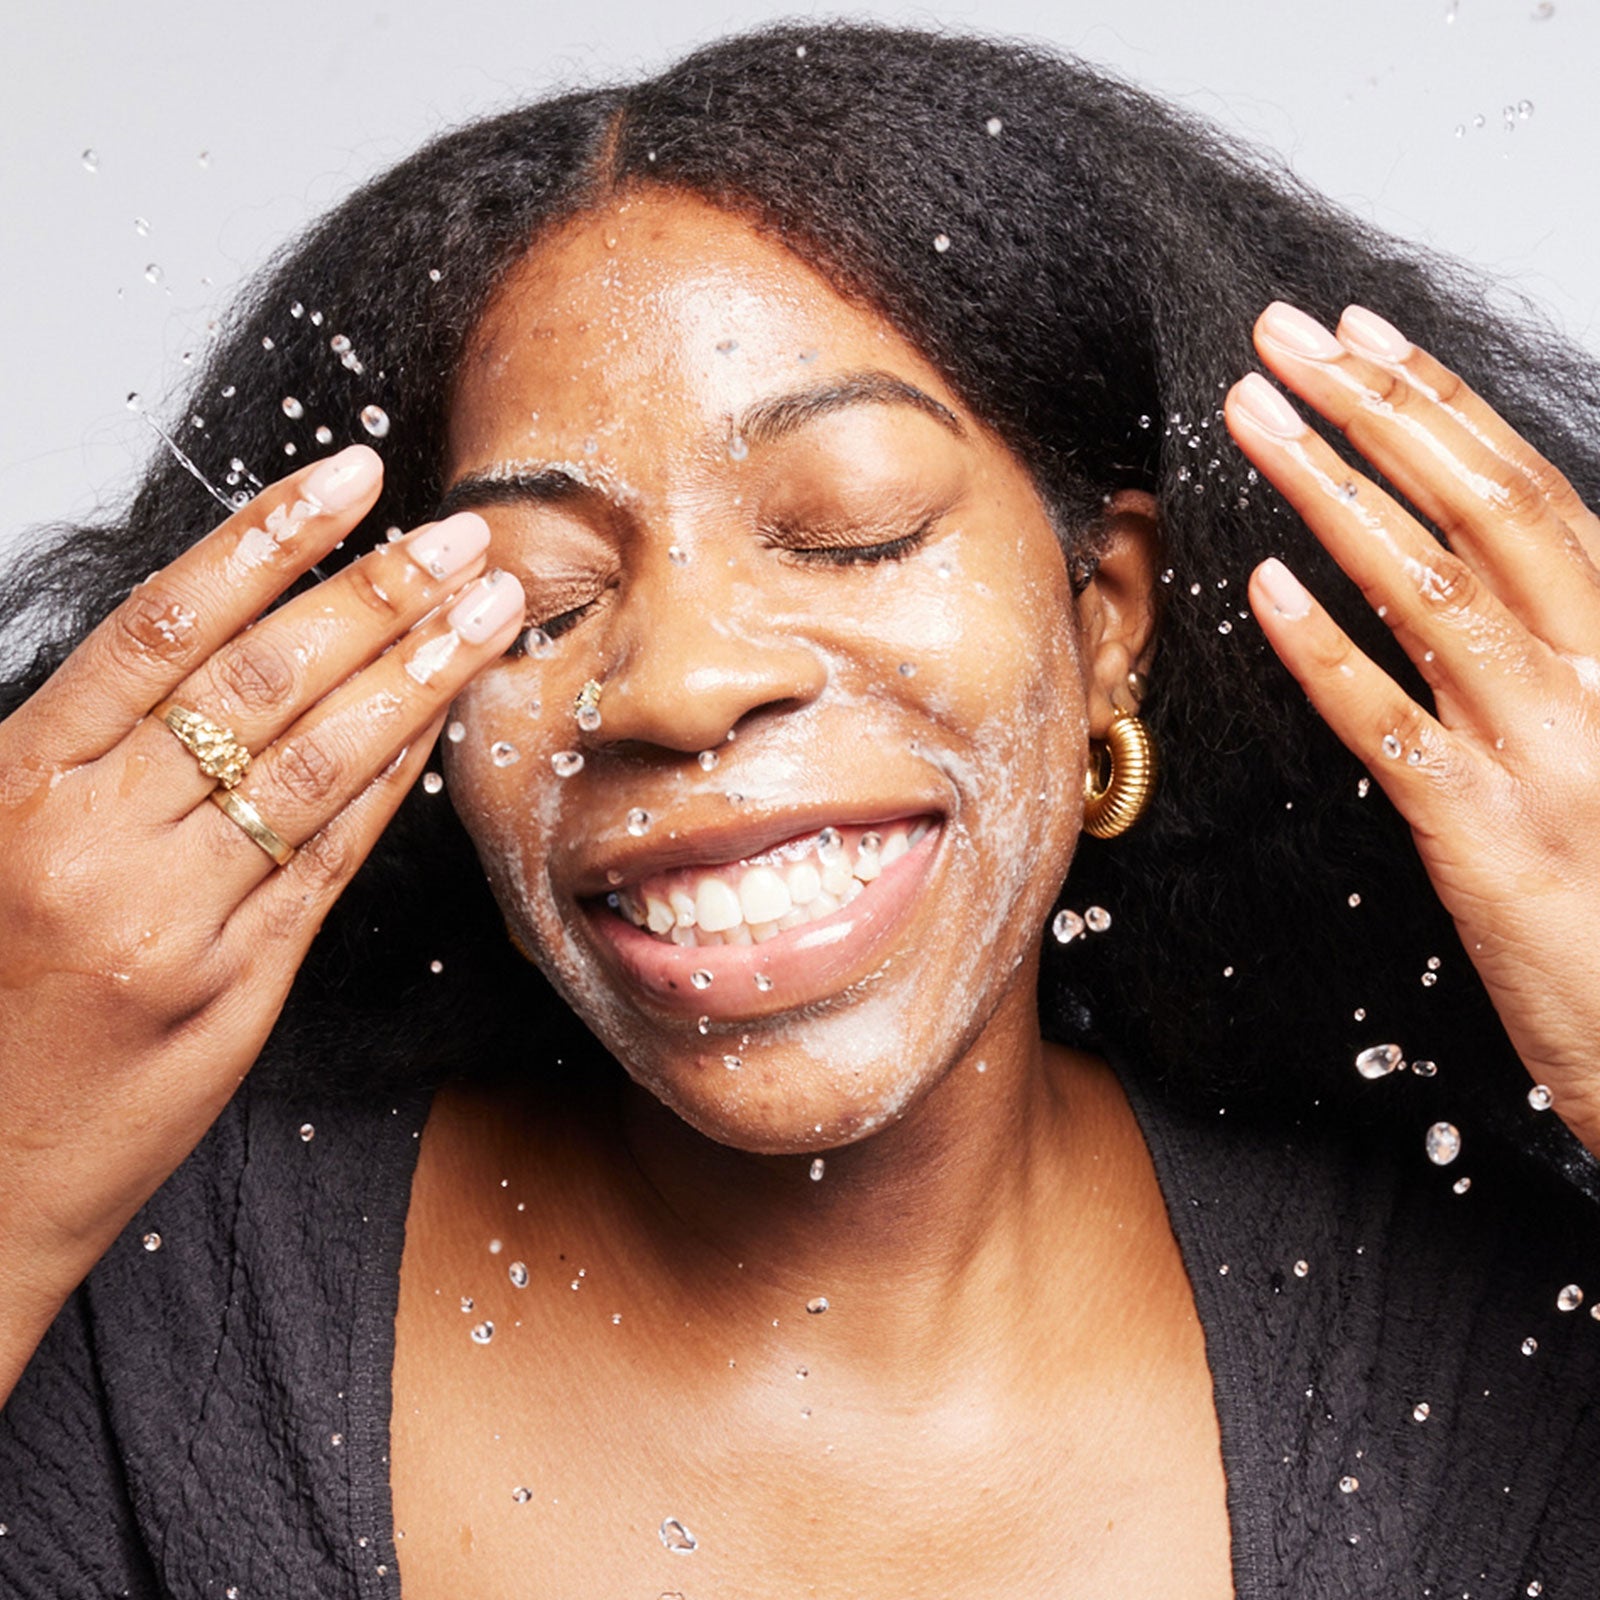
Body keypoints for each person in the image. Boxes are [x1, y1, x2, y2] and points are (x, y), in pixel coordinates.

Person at [2, 21, 1598, 1596]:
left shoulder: (1486, 1331)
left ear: (1106, 620)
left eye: (852, 528)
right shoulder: (160, 1299)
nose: (682, 687)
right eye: (538, 604)